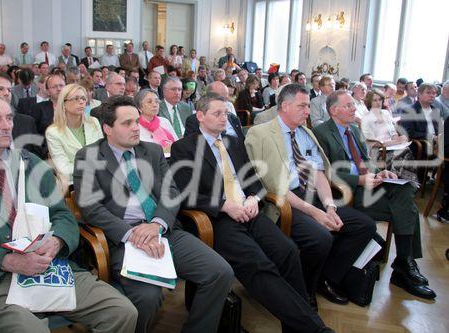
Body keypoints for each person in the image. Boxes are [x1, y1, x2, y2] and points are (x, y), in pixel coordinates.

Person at [0, 94, 138, 333]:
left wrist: (57, 241)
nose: (6, 125)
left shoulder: (34, 166)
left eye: (9, 118)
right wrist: (8, 261)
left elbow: (63, 216)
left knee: (122, 312)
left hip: (49, 267)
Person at [170, 93, 333, 333]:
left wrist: (254, 199)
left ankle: (296, 325)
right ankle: (314, 328)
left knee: (287, 251)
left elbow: (255, 182)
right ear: (200, 116)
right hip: (217, 219)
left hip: (249, 210)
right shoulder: (184, 147)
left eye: (226, 113)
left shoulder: (233, 142)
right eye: (217, 113)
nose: (223, 118)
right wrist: (226, 206)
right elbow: (185, 193)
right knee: (258, 264)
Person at [72, 96, 233, 333]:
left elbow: (171, 191)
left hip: (163, 229)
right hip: (123, 240)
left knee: (220, 272)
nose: (136, 127)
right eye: (126, 123)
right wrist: (131, 234)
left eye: (136, 121)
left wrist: (157, 225)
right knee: (148, 297)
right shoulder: (89, 156)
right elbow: (91, 208)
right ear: (107, 128)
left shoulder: (153, 151)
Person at [245, 84, 376, 308]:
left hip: (312, 195)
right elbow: (277, 187)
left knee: (364, 225)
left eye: (308, 106)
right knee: (320, 237)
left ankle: (326, 278)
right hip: (286, 202)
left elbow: (318, 172)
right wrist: (316, 213)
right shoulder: (261, 133)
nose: (308, 111)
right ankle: (302, 289)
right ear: (284, 106)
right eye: (302, 106)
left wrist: (329, 206)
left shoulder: (305, 134)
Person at [312, 90, 436, 300]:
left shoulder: (354, 129)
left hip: (370, 184)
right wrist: (360, 180)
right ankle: (404, 266)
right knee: (408, 209)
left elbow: (365, 160)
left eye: (354, 104)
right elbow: (326, 171)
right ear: (334, 110)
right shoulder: (321, 132)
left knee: (404, 188)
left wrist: (380, 173)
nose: (355, 109)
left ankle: (404, 264)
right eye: (349, 105)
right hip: (349, 192)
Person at [45, 84, 103, 181]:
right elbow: (64, 169)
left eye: (83, 98)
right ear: (64, 103)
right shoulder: (53, 132)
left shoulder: (93, 122)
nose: (81, 102)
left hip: (100, 179)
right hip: (74, 185)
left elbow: (103, 154)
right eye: (76, 98)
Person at [362, 89, 416, 181]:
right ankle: (396, 181)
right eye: (375, 100)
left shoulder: (386, 113)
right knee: (402, 153)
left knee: (406, 149)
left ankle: (406, 182)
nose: (378, 102)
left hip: (392, 146)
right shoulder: (366, 118)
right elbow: (373, 143)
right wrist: (396, 142)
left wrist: (400, 139)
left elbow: (393, 132)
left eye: (380, 99)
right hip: (377, 150)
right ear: (369, 102)